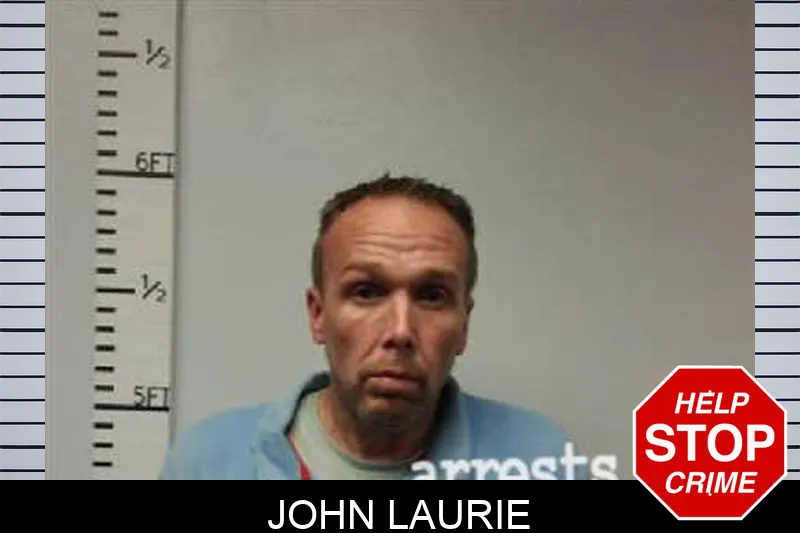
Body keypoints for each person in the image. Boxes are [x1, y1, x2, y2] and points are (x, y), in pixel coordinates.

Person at [159, 173, 584, 480]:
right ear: (318, 314)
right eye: (366, 292)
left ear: (464, 325)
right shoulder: (209, 462)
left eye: (432, 296)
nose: (400, 331)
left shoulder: (541, 461)